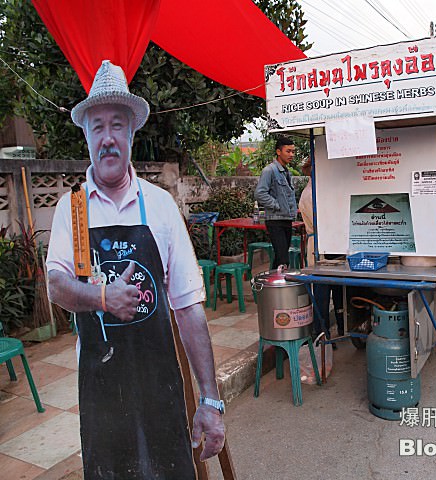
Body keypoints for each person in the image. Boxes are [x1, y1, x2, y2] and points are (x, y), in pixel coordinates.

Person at [46, 61, 224, 479]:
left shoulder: (160, 205)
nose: (107, 139)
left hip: (160, 386)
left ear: (131, 133)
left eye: (117, 126)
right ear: (86, 135)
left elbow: (187, 307)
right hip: (102, 392)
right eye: (98, 127)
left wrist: (210, 400)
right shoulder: (72, 210)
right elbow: (56, 285)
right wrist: (104, 298)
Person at [298, 159, 344, 339]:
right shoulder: (310, 194)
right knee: (322, 292)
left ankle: (341, 327)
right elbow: (323, 222)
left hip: (330, 244)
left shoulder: (322, 191)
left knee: (339, 290)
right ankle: (322, 333)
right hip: (319, 245)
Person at [255, 136, 298, 268]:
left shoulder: (286, 172)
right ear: (279, 152)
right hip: (275, 220)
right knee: (282, 259)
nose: (291, 155)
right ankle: (274, 286)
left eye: (293, 151)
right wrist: (276, 205)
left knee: (282, 258)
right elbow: (260, 193)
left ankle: (273, 285)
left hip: (286, 219)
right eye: (288, 151)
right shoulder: (270, 170)